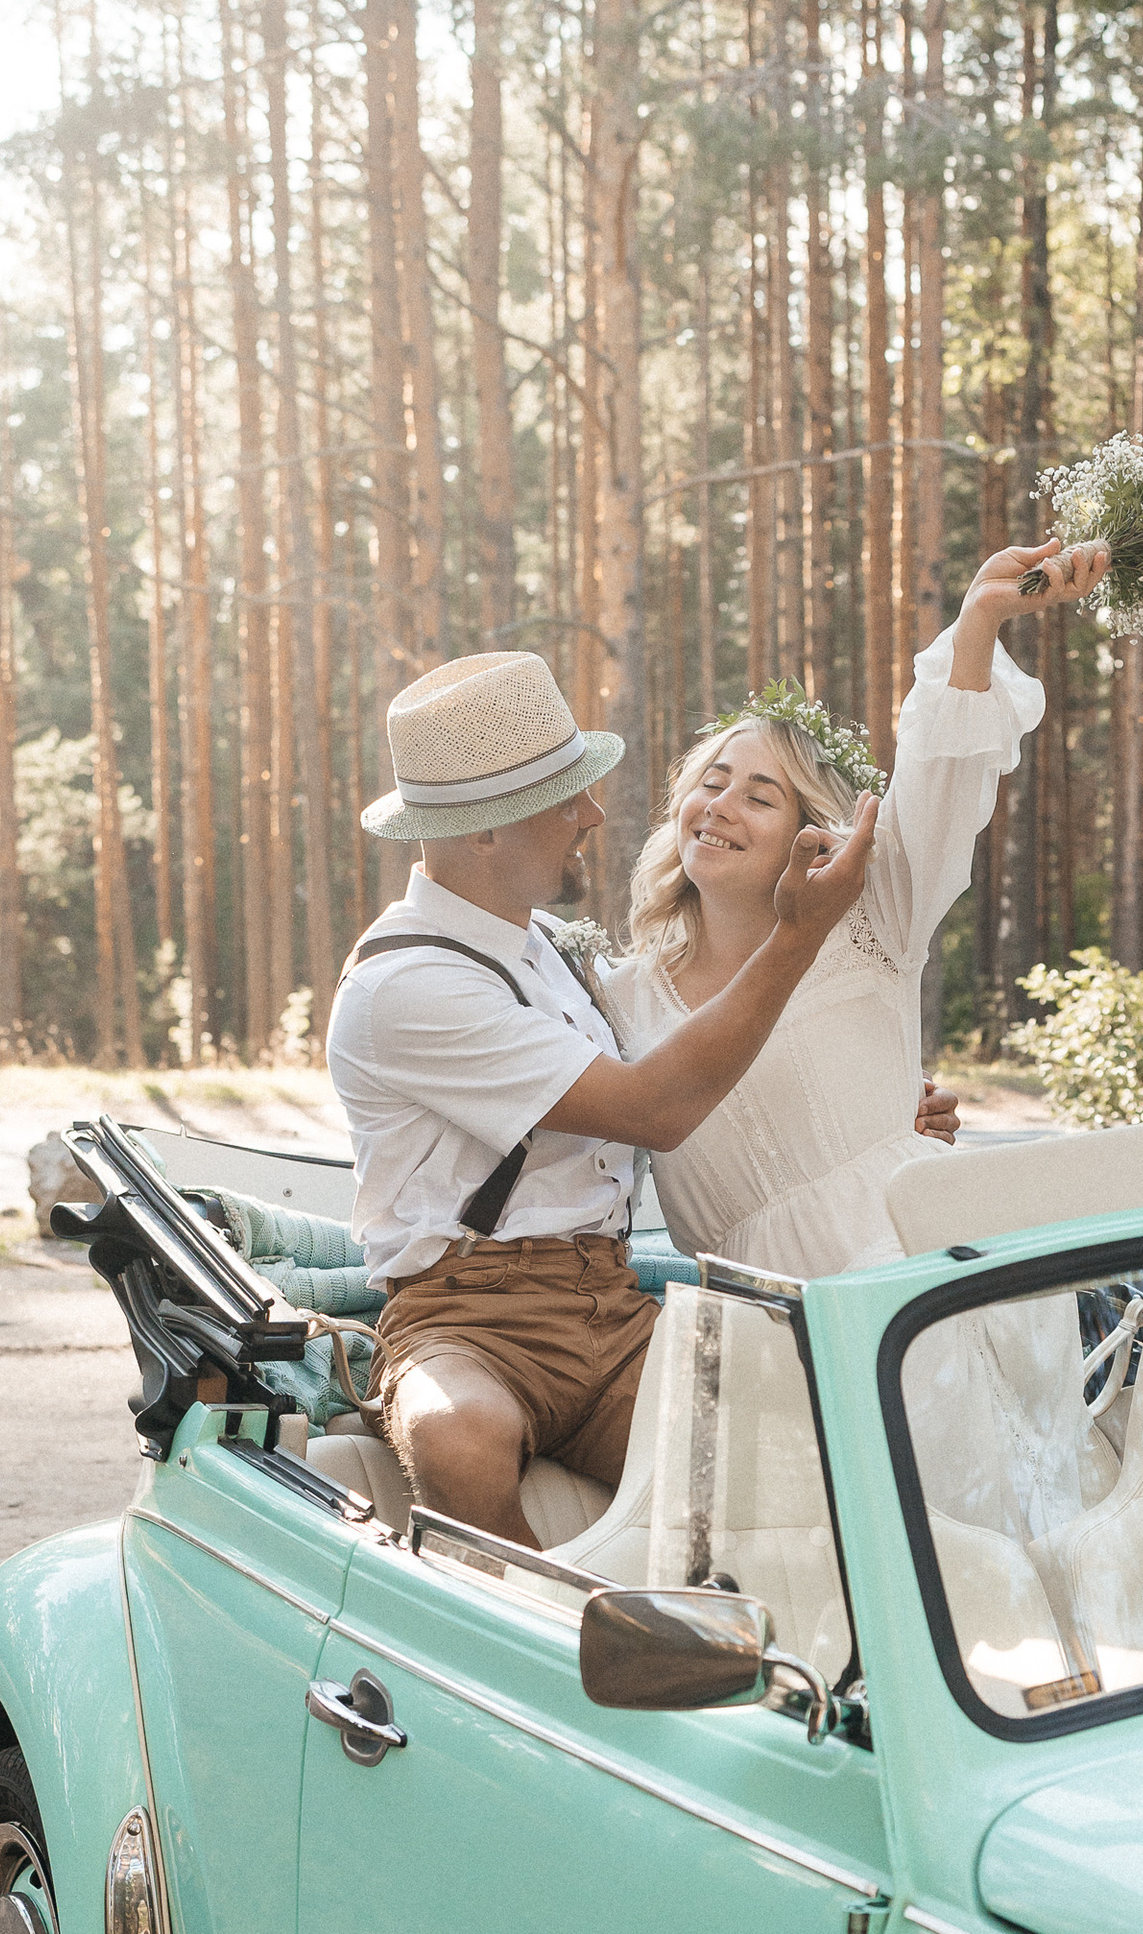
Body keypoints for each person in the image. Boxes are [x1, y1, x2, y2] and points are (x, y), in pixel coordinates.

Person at [326, 647, 873, 1546]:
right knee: (456, 1435)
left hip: (608, 1307)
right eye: (565, 799)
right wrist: (796, 932)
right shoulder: (409, 985)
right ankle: (538, 1649)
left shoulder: (544, 946)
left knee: (800, 1452)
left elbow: (693, 1045)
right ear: (485, 833)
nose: (594, 814)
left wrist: (879, 1111)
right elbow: (652, 1105)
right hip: (466, 1318)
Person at [607, 535, 1106, 1277]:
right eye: (711, 782)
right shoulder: (618, 996)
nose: (720, 808)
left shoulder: (874, 920)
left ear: (813, 831)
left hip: (923, 1278)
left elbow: (938, 778)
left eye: (759, 795)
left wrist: (979, 620)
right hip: (755, 1318)